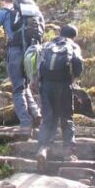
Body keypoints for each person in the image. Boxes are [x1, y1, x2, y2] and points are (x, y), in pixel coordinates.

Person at [0, 0, 42, 131]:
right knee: (25, 85)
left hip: (15, 52)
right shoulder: (28, 14)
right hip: (31, 52)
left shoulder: (3, 13)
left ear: (2, 1)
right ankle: (36, 113)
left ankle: (25, 122)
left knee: (18, 89)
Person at [34, 24, 84, 166]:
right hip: (64, 85)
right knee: (66, 118)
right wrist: (75, 77)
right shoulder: (73, 46)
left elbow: (39, 65)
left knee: (48, 118)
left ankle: (42, 149)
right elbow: (78, 64)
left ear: (60, 33)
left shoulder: (48, 45)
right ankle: (69, 153)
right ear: (73, 36)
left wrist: (37, 83)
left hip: (46, 85)